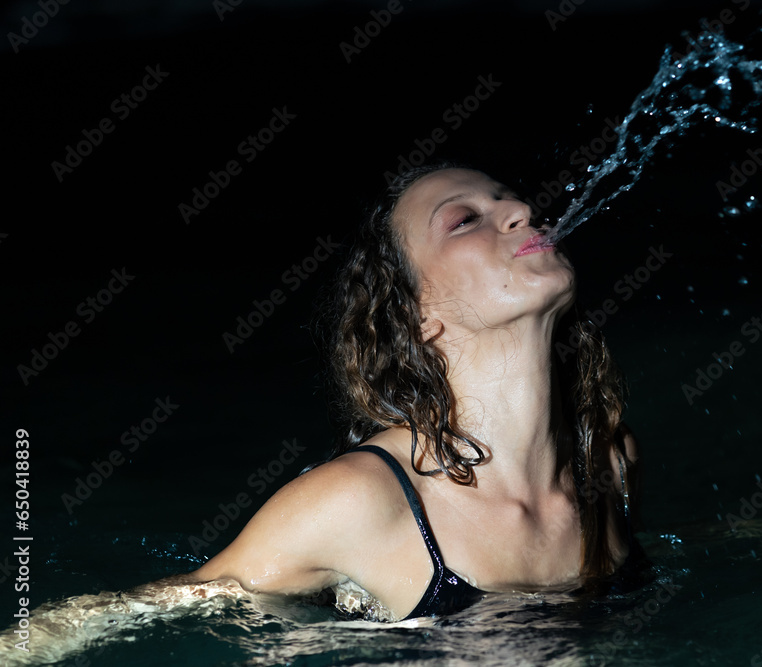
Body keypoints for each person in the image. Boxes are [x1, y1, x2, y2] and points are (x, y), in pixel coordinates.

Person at [4, 162, 641, 662]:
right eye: (464, 219)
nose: (521, 210)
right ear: (419, 317)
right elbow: (151, 607)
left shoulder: (606, 463)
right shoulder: (359, 502)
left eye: (508, 199)